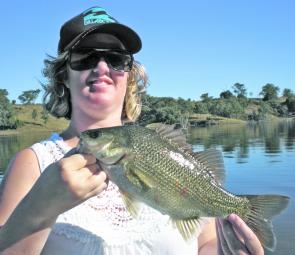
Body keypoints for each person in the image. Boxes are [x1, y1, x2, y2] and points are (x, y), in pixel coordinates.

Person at [0, 6, 264, 255]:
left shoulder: (163, 150)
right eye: (85, 57)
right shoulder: (34, 163)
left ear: (129, 76)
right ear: (63, 76)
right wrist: (41, 207)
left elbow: (206, 242)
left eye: (116, 59)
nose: (102, 68)